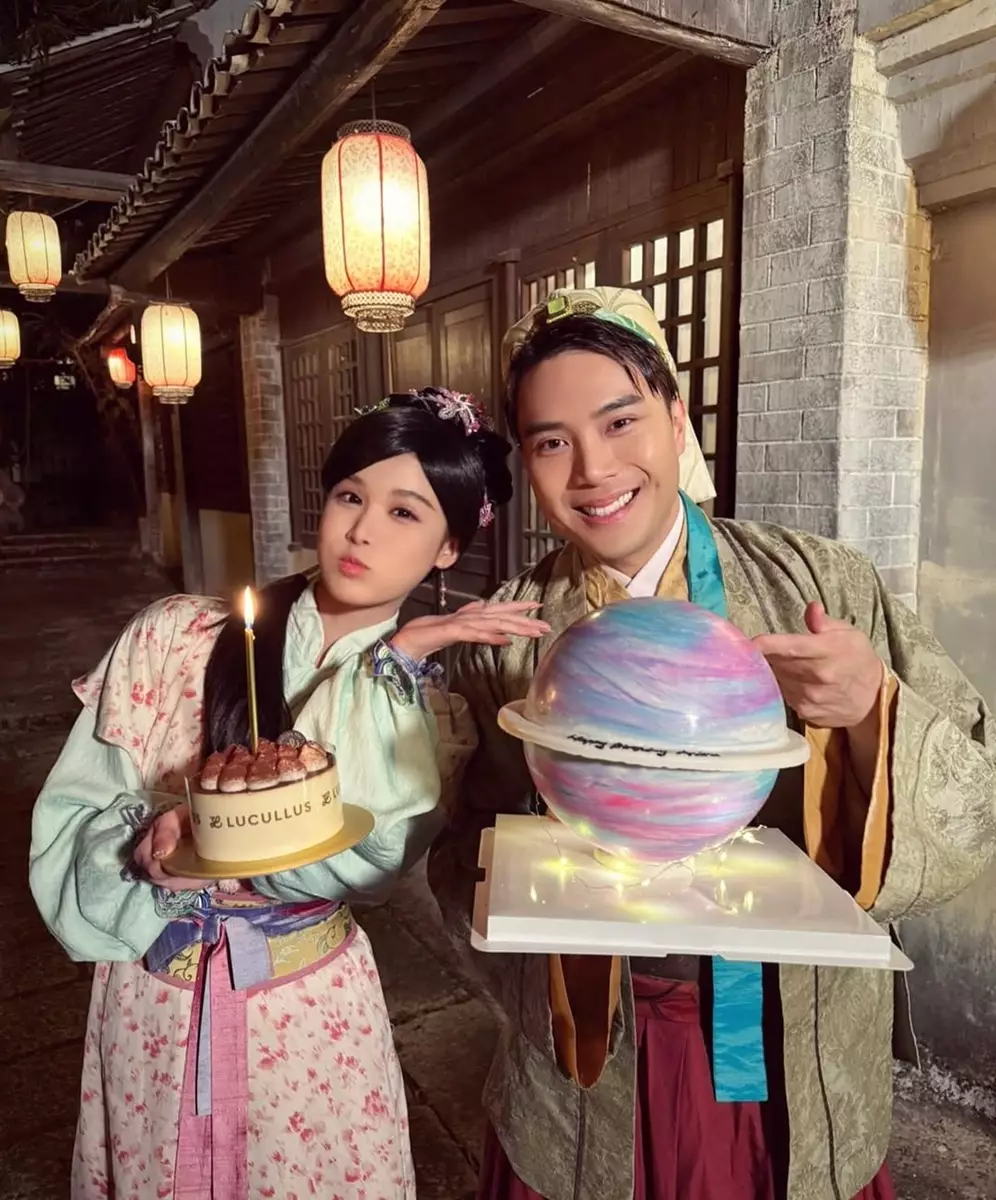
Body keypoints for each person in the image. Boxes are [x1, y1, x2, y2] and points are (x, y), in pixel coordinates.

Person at [428, 287, 996, 1200]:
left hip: (790, 1039)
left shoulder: (820, 584)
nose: (593, 470)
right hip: (596, 1056)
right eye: (551, 442)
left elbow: (972, 796)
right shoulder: (509, 637)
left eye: (621, 421)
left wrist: (870, 708)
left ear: (675, 415)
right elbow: (464, 853)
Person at [29, 389, 550, 1200]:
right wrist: (146, 843)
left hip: (307, 1012)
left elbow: (362, 866)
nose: (363, 530)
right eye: (350, 496)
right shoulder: (174, 636)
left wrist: (389, 669)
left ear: (449, 547)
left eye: (404, 513)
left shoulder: (428, 715)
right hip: (152, 1000)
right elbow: (69, 824)